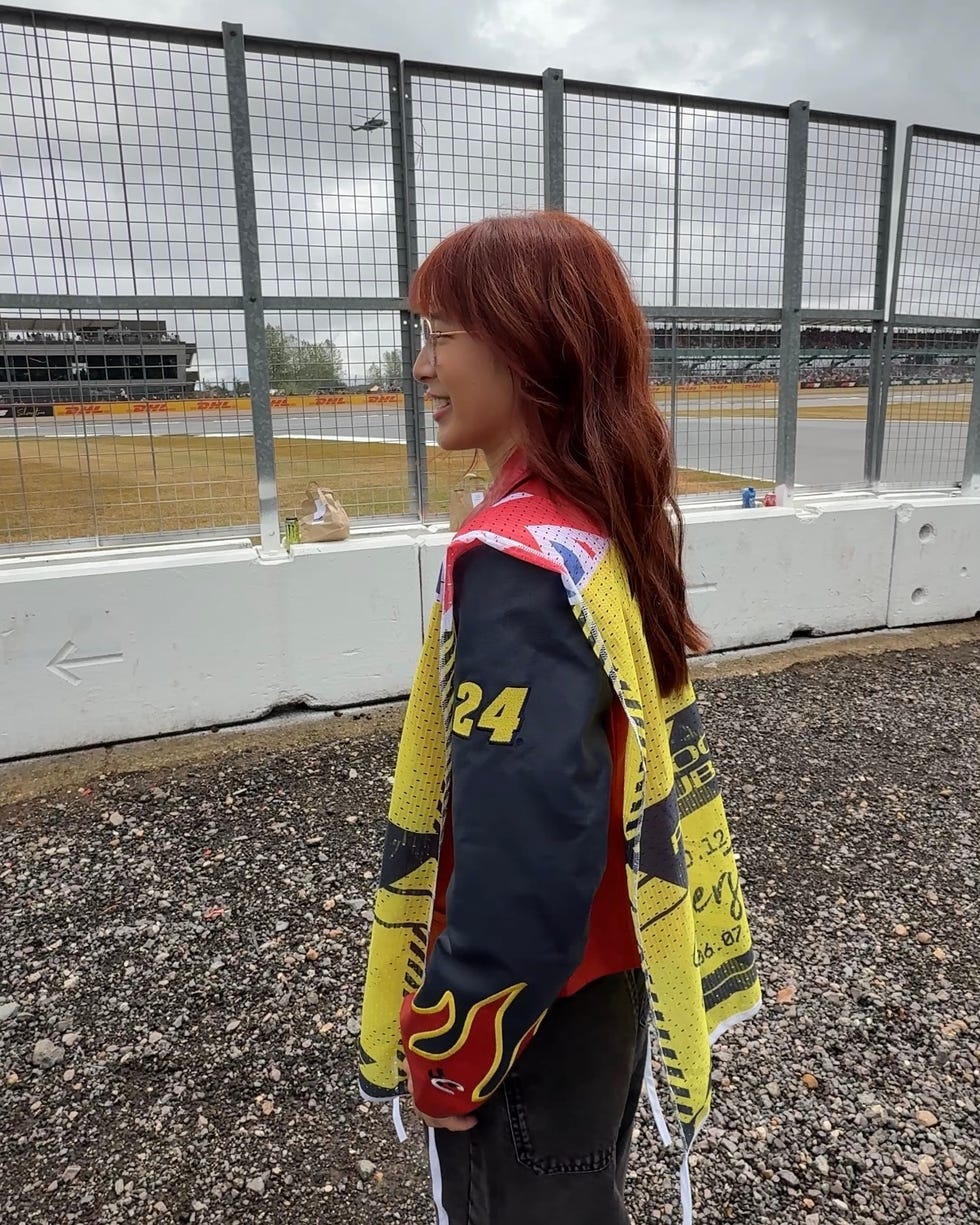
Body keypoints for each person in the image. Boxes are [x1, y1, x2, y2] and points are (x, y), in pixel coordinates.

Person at [359, 212, 761, 1225]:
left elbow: (524, 848)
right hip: (606, 977)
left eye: (441, 331)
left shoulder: (511, 557)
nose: (420, 365)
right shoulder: (590, 520)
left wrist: (449, 1058)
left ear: (522, 341)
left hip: (530, 1015)